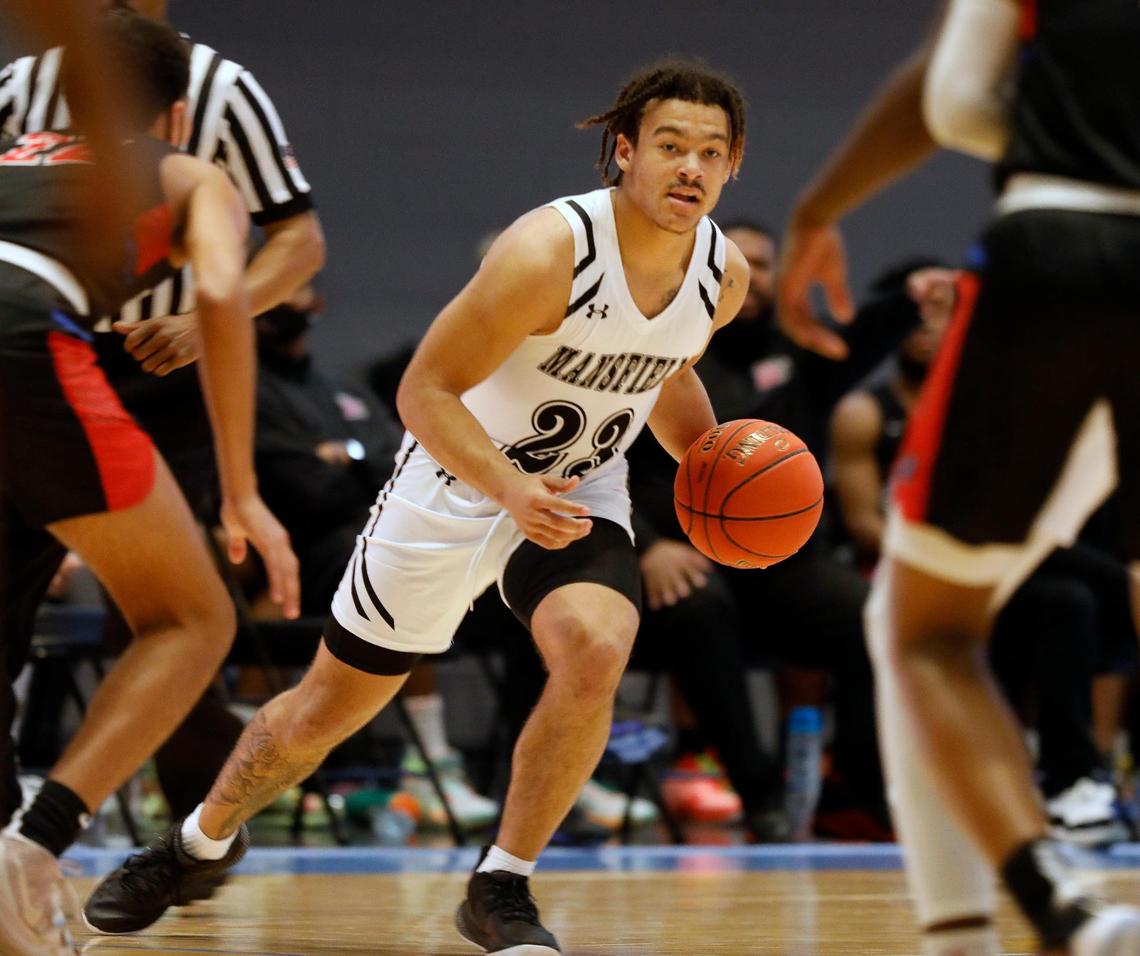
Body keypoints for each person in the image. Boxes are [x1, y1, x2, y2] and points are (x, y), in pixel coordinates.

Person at [84, 58, 751, 954]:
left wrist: (714, 469)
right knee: (325, 711)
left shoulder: (724, 274)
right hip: (454, 484)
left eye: (711, 152)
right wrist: (507, 488)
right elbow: (423, 391)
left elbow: (662, 372)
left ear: (733, 165)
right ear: (623, 152)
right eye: (671, 145)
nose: (690, 168)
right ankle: (198, 842)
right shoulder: (548, 251)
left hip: (577, 489)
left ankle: (501, 884)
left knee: (597, 649)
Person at [779, 1, 1140, 953]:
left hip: (1059, 247)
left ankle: (1039, 895)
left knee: (922, 629)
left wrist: (818, 209)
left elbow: (952, 97)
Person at [0, 11, 299, 954]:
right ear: (176, 115)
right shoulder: (185, 169)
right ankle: (32, 851)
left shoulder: (11, 147)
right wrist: (242, 489)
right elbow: (221, 294)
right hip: (24, 339)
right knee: (192, 618)